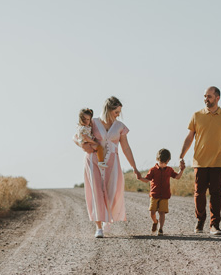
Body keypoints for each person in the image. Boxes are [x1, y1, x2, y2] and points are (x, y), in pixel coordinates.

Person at [76, 96, 141, 238]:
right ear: (108, 110)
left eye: (119, 112)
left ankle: (108, 218)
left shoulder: (120, 127)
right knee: (96, 192)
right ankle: (98, 227)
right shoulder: (93, 122)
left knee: (112, 192)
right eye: (116, 112)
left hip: (112, 162)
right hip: (93, 160)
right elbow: (76, 136)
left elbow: (126, 148)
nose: (118, 115)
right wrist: (84, 146)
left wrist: (134, 167)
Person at [178, 86, 221, 236]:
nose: (206, 99)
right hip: (200, 161)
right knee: (199, 193)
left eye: (209, 96)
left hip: (218, 161)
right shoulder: (197, 115)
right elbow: (190, 137)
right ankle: (200, 220)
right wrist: (181, 155)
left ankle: (214, 225)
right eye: (205, 96)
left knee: (216, 193)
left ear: (217, 98)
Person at [137, 148, 184, 236]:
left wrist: (181, 170)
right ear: (157, 160)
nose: (163, 165)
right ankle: (155, 222)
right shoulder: (153, 170)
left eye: (165, 163)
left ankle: (161, 229)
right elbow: (147, 180)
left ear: (168, 161)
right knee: (152, 212)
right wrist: (140, 178)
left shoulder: (169, 170)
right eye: (161, 163)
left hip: (165, 195)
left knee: (162, 212)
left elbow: (177, 177)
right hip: (154, 195)